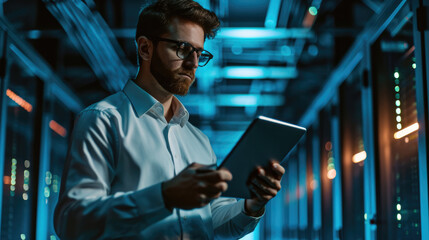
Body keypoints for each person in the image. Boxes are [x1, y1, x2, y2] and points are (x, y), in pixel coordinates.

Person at [54, 0, 285, 239]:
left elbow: (210, 222)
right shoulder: (103, 120)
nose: (193, 64)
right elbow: (72, 222)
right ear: (145, 48)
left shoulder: (199, 140)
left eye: (199, 53)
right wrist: (164, 196)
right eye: (183, 49)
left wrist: (251, 206)